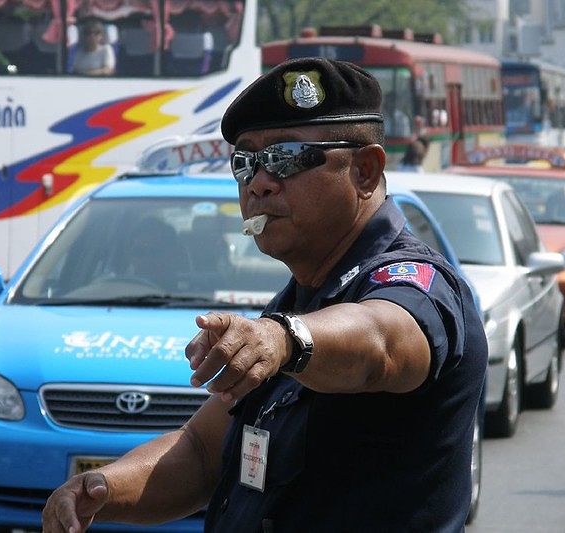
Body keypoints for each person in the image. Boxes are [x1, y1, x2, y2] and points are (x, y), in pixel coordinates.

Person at [42, 57, 488, 532]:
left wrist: (284, 341)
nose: (258, 182)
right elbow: (200, 454)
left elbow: (381, 342)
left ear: (365, 171)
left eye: (286, 158)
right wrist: (100, 489)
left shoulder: (413, 280)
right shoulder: (298, 302)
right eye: (246, 162)